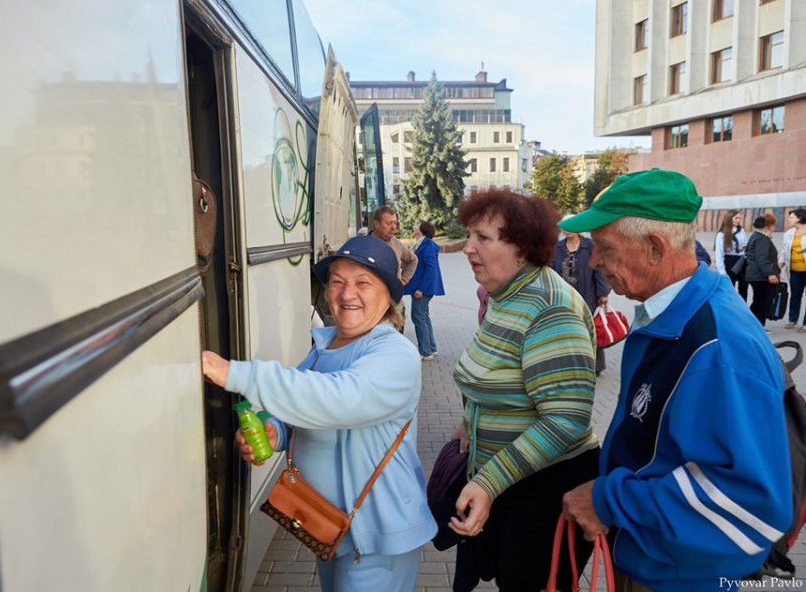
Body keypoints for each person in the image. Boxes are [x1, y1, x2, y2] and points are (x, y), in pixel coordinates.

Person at [560, 169, 791, 591]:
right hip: (657, 560)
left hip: (680, 577)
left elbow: (748, 506)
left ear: (654, 248)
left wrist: (608, 501)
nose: (594, 261)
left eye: (605, 248)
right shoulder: (674, 314)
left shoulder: (716, 346)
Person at [201, 235, 436, 591]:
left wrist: (237, 374)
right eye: (337, 282)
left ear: (387, 294)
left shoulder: (396, 354)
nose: (347, 294)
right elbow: (302, 407)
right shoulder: (325, 344)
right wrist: (276, 431)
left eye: (362, 283)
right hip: (330, 526)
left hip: (377, 537)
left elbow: (339, 400)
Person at [443, 187, 600, 591]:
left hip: (545, 491)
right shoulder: (505, 294)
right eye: (470, 235)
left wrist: (488, 481)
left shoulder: (550, 308)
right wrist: (469, 422)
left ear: (523, 249)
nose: (468, 248)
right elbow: (494, 374)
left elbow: (566, 420)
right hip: (510, 482)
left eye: (483, 238)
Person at [552, 225, 611, 374]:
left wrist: (602, 293)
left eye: (572, 226)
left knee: (589, 329)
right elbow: (551, 270)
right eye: (566, 227)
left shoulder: (589, 245)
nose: (568, 230)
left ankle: (595, 366)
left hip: (587, 295)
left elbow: (599, 269)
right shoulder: (557, 247)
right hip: (564, 296)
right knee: (566, 328)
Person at [405, 221, 445, 360]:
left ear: (422, 230)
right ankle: (431, 348)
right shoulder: (420, 243)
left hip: (423, 289)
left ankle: (425, 352)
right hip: (420, 288)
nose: (414, 227)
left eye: (416, 225)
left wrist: (421, 288)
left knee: (418, 317)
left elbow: (431, 268)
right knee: (423, 317)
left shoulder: (427, 245)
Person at [745, 214, 781, 327]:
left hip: (755, 275)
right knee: (761, 303)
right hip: (760, 277)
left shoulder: (756, 235)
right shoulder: (763, 239)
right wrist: (770, 274)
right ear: (768, 226)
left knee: (758, 302)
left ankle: (753, 325)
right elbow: (762, 259)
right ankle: (758, 326)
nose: (774, 227)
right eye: (773, 225)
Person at [781, 208, 806, 331]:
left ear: (799, 218)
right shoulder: (789, 233)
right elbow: (784, 250)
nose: (789, 220)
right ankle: (792, 319)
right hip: (794, 270)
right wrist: (779, 265)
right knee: (795, 295)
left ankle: (805, 324)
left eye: (791, 217)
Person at [715, 210, 749, 299]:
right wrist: (722, 272)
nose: (738, 220)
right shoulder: (721, 234)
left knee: (744, 288)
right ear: (730, 219)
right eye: (736, 218)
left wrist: (743, 246)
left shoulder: (741, 230)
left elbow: (746, 243)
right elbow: (719, 254)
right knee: (730, 289)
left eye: (739, 218)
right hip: (730, 261)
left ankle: (743, 309)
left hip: (742, 261)